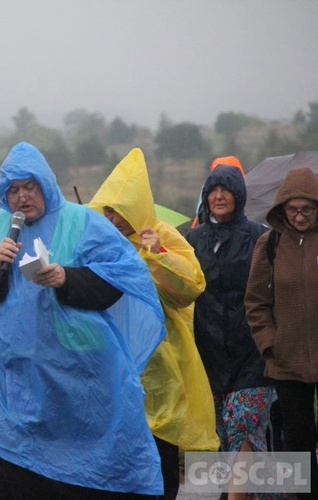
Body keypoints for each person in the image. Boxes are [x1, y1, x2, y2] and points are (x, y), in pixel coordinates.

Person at [0, 142, 167, 497]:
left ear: (46, 184)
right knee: (10, 475)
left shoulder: (82, 222)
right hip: (11, 386)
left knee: (76, 483)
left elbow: (121, 278)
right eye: (14, 190)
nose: (23, 197)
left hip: (78, 386)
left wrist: (66, 278)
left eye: (30, 186)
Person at [88, 148, 219, 499]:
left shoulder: (161, 235)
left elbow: (191, 286)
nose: (114, 220)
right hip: (114, 362)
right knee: (120, 455)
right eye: (109, 211)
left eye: (120, 212)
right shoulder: (99, 242)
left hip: (163, 364)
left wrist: (158, 254)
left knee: (161, 453)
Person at [186, 163, 273, 499]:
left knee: (244, 425)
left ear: (238, 196)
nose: (218, 196)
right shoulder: (193, 239)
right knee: (225, 433)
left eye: (225, 190)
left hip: (252, 355)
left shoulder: (259, 237)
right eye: (212, 190)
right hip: (210, 357)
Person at [245, 166, 318, 497]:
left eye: (307, 209)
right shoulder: (269, 244)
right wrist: (269, 344)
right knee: (297, 439)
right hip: (286, 362)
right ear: (282, 209)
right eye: (293, 209)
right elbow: (256, 302)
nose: (300, 217)